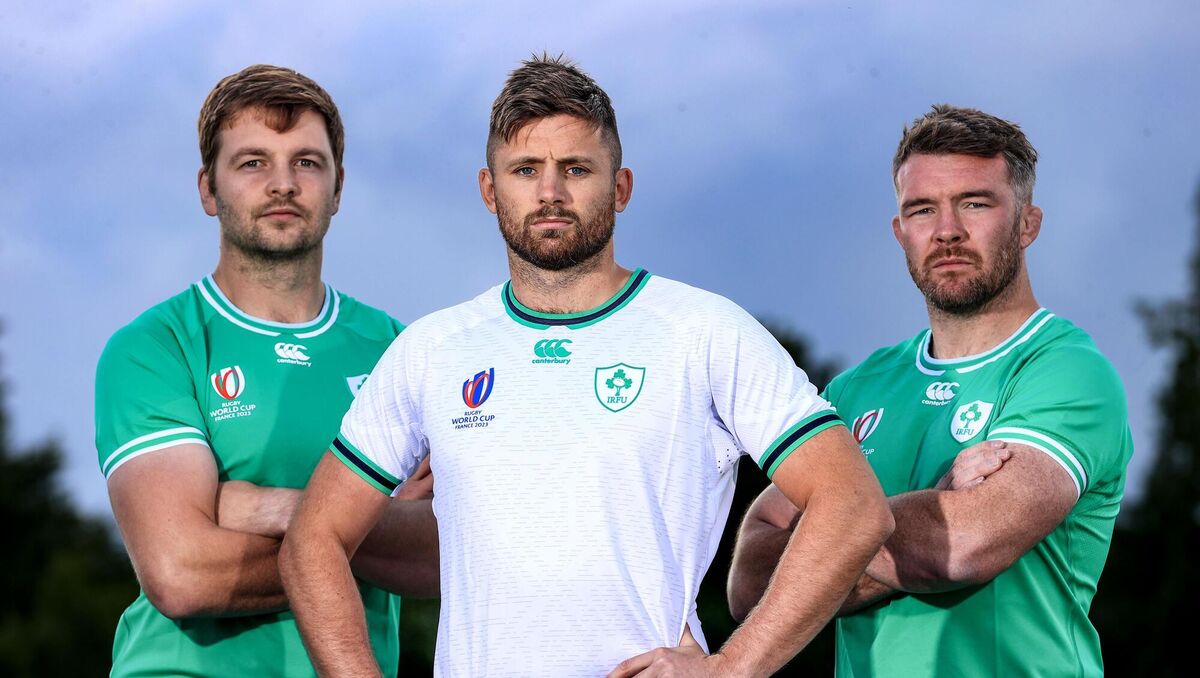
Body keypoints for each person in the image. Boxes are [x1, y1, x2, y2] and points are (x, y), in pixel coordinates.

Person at [278, 54, 893, 677]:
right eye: (526, 170)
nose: (550, 193)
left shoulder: (704, 331)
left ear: (620, 187)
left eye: (576, 168)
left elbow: (852, 503)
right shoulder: (433, 348)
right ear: (489, 190)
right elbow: (313, 539)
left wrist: (732, 668)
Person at [728, 104, 1134, 676]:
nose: (947, 231)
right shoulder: (856, 390)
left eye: (975, 203)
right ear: (900, 232)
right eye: (923, 209)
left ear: (1028, 223)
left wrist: (833, 535)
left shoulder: (1065, 371)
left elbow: (965, 545)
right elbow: (750, 583)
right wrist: (935, 501)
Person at [94, 64, 438, 677]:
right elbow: (181, 573)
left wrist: (262, 507)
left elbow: (445, 556)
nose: (283, 184)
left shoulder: (401, 351)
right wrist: (364, 522)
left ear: (338, 188)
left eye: (307, 162)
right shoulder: (155, 347)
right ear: (208, 189)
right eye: (253, 162)